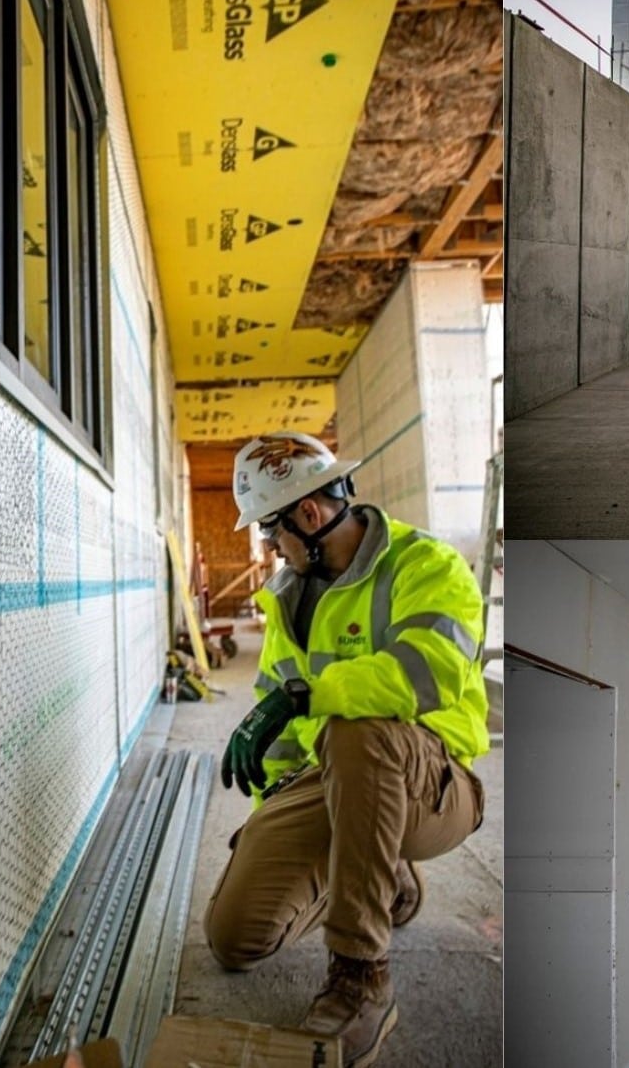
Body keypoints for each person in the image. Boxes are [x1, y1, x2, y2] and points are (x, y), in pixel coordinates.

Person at [205, 431, 488, 1068]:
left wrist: (312, 695)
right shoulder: (290, 598)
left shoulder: (426, 566)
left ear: (307, 516)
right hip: (337, 777)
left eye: (269, 532)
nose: (269, 548)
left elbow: (427, 674)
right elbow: (279, 720)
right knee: (234, 938)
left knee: (354, 728)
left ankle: (362, 976)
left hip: (436, 785)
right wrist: (268, 819)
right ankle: (383, 874)